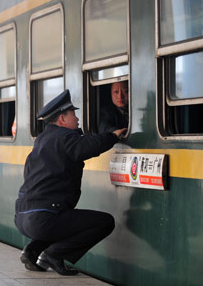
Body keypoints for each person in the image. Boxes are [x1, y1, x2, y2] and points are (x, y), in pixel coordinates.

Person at [14, 89, 126, 275]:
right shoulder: (64, 138)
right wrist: (112, 136)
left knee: (64, 221)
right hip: (44, 219)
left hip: (23, 218)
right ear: (62, 120)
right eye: (73, 114)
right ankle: (53, 255)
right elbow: (87, 146)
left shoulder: (41, 141)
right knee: (104, 222)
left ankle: (31, 251)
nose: (77, 118)